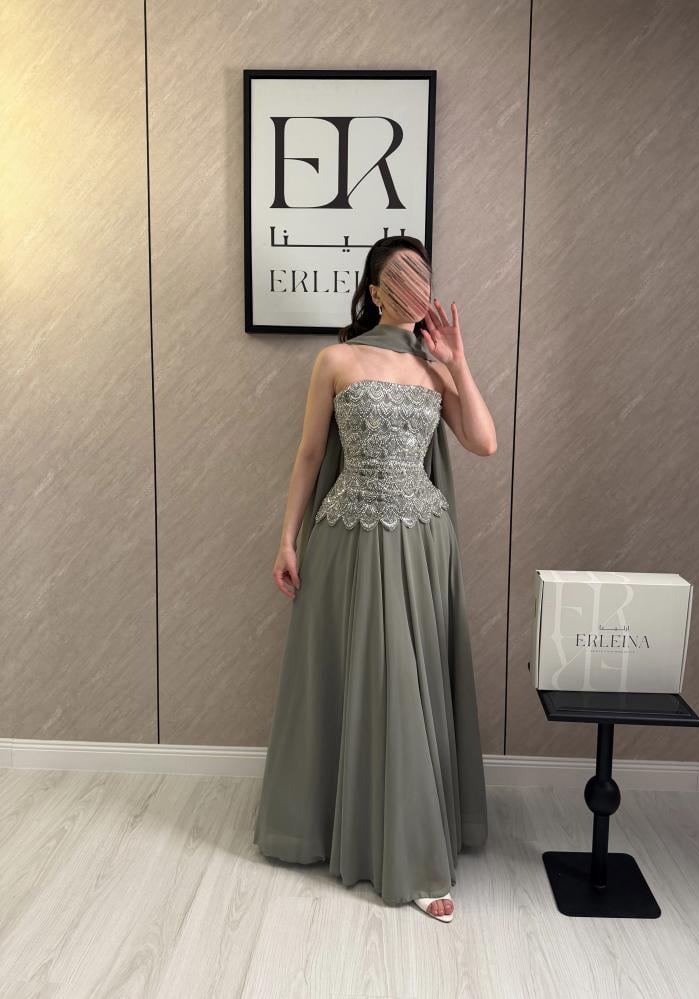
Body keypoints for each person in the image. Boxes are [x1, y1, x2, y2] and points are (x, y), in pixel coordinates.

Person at [253, 235, 496, 922]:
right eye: (404, 276)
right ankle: (341, 828)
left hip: (419, 546)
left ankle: (411, 850)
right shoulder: (336, 359)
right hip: (346, 540)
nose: (418, 286)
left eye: (425, 275)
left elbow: (483, 442)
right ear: (376, 289)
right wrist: (286, 539)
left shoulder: (434, 367)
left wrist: (458, 360)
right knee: (357, 682)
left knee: (404, 684)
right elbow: (309, 455)